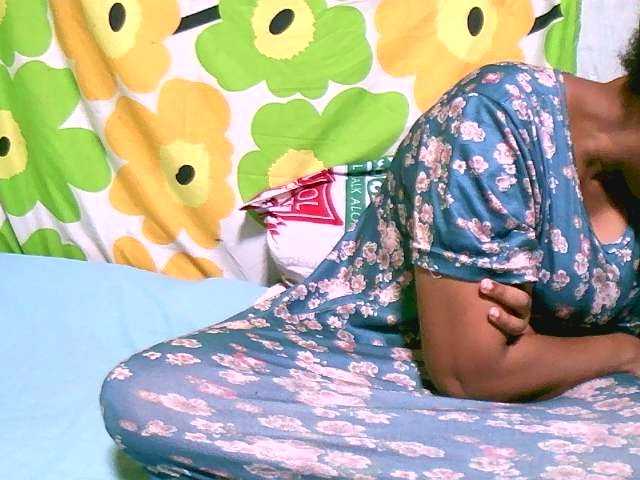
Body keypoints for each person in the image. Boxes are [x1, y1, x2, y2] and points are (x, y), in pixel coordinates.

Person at [99, 31, 640, 478]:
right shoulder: (498, 115)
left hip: (558, 392)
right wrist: (618, 349)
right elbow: (470, 374)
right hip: (363, 357)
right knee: (151, 398)